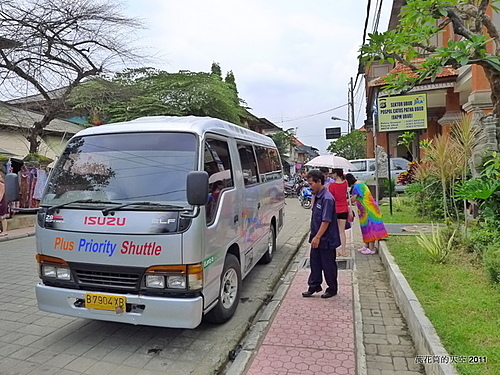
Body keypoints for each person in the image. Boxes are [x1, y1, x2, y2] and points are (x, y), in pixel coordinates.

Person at [302, 169, 340, 299]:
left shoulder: (327, 198)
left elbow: (326, 220)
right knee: (315, 263)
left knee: (328, 265)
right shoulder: (318, 196)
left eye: (311, 183)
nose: (310, 186)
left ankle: (332, 288)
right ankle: (314, 286)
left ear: (319, 182)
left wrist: (318, 237)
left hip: (326, 239)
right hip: (316, 237)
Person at [345, 173, 388, 255]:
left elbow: (353, 199)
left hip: (368, 210)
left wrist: (343, 203)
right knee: (365, 228)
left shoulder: (357, 187)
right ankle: (366, 245)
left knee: (369, 227)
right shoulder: (360, 184)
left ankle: (371, 248)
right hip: (364, 211)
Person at [328, 168, 349, 257]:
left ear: (336, 174)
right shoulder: (345, 183)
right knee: (342, 231)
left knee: (334, 231)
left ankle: (336, 251)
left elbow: (330, 198)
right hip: (344, 209)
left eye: (332, 174)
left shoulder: (332, 186)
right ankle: (343, 251)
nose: (331, 175)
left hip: (335, 210)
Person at [0, 173, 8, 237]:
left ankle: (5, 231)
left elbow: (1, 194)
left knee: (3, 217)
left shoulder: (1, 185)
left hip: (2, 202)